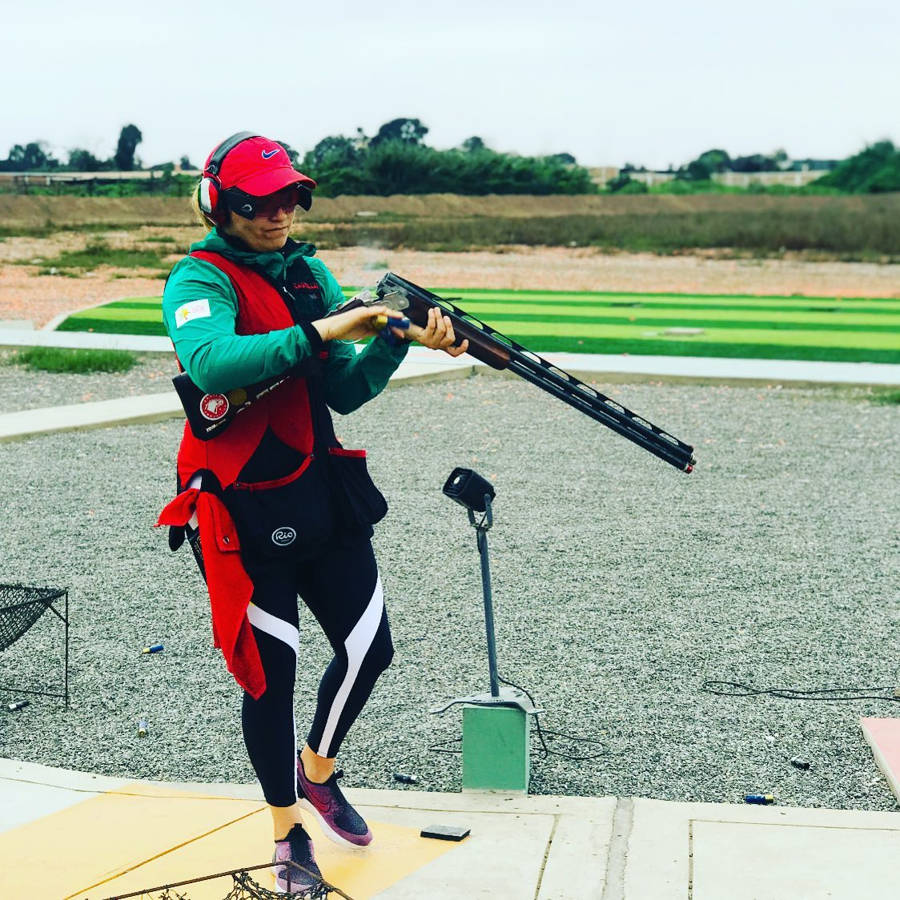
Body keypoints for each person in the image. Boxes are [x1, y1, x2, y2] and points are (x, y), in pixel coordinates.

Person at [156, 132, 468, 895]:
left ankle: (318, 770)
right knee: (271, 676)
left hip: (320, 491)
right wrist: (333, 326)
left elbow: (342, 391)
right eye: (258, 201)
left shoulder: (308, 274)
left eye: (290, 196)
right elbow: (213, 365)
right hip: (239, 507)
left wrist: (397, 344)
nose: (278, 213)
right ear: (218, 203)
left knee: (372, 651)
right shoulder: (199, 279)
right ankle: (287, 831)